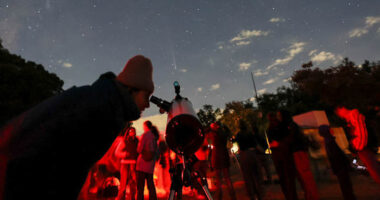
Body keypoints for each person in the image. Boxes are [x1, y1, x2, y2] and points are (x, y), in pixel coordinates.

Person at [0, 55, 154, 199]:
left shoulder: (106, 104)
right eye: (146, 96)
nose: (148, 104)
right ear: (131, 88)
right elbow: (50, 162)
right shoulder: (102, 110)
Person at [277, 110, 320, 200]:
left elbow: (292, 139)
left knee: (305, 175)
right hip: (298, 152)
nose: (278, 118)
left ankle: (312, 196)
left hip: (298, 152)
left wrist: (281, 143)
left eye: (279, 115)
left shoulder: (291, 126)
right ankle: (310, 195)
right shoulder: (292, 125)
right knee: (304, 176)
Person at [335, 106, 380, 185]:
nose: (339, 115)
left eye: (338, 111)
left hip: (363, 148)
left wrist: (357, 147)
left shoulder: (353, 116)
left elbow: (360, 133)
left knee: (374, 170)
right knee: (373, 169)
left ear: (343, 109)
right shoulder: (350, 119)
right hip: (363, 147)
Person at [318, 125, 356, 200]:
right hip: (340, 167)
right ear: (327, 131)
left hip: (339, 167)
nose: (332, 130)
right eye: (330, 129)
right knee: (346, 185)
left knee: (345, 185)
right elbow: (335, 155)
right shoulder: (330, 141)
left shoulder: (329, 141)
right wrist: (344, 163)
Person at [267, 112, 297, 200]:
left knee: (286, 179)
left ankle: (290, 196)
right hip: (281, 155)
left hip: (282, 154)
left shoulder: (279, 126)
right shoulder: (276, 127)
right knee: (287, 180)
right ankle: (291, 196)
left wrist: (278, 144)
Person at [207, 122, 237, 200]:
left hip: (216, 157)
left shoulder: (212, 134)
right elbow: (228, 132)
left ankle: (219, 197)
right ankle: (233, 196)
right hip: (224, 155)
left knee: (218, 179)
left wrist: (211, 128)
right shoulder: (223, 133)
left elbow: (206, 132)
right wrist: (224, 126)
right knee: (228, 178)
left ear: (214, 127)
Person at [235, 120, 262, 200]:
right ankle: (259, 194)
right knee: (256, 175)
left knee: (247, 177)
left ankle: (251, 195)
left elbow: (239, 146)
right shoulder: (250, 133)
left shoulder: (238, 135)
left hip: (244, 155)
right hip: (252, 154)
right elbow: (256, 145)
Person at [136, 120, 159, 200]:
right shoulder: (155, 136)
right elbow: (156, 151)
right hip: (150, 165)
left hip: (142, 164)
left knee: (140, 186)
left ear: (145, 126)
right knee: (150, 184)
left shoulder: (145, 135)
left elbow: (139, 149)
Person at [115, 127, 139, 200]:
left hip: (133, 164)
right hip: (125, 164)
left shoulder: (137, 141)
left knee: (133, 183)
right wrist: (124, 154)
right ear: (128, 133)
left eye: (134, 131)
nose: (133, 133)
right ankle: (121, 198)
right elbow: (117, 152)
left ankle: (132, 197)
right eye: (131, 131)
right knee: (123, 183)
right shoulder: (124, 141)